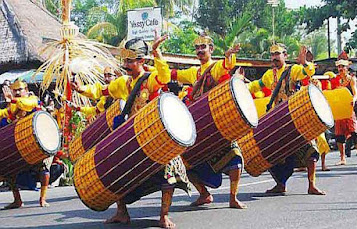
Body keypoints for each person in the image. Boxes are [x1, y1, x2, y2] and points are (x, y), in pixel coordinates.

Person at [72, 32, 183, 229]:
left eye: (130, 61)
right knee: (116, 171)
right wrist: (82, 89)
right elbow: (102, 90)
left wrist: (157, 52)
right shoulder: (123, 82)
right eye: (125, 60)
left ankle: (163, 216)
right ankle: (121, 213)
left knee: (168, 176)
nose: (126, 64)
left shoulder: (150, 80)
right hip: (133, 137)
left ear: (141, 60)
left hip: (156, 136)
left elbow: (165, 77)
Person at [170, 33, 246, 209]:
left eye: (203, 47)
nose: (199, 51)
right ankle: (204, 194)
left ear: (211, 49)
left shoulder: (215, 67)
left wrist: (228, 56)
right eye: (197, 48)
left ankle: (233, 197)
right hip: (198, 125)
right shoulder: (192, 72)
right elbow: (171, 74)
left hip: (218, 123)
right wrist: (156, 54)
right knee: (187, 163)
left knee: (235, 158)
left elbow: (227, 65)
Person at [247, 44, 325, 195]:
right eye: (272, 54)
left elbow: (307, 72)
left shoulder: (293, 70)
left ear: (285, 55)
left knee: (310, 150)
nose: (274, 57)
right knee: (272, 153)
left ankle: (311, 185)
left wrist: (304, 63)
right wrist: (241, 86)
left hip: (296, 118)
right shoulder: (269, 74)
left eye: (277, 54)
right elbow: (257, 85)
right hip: (278, 121)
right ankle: (280, 184)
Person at [0, 79, 51, 209]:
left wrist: (12, 100)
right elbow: (5, 116)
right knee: (8, 172)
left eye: (20, 90)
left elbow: (25, 105)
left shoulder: (32, 99)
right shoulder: (12, 104)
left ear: (26, 90)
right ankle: (18, 200)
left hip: (36, 142)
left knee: (44, 169)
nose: (17, 92)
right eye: (15, 90)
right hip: (19, 144)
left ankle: (42, 198)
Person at [330, 51, 357, 166]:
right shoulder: (336, 80)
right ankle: (342, 158)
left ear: (347, 67)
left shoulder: (351, 79)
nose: (340, 69)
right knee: (339, 135)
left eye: (343, 66)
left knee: (354, 132)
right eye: (339, 66)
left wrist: (353, 100)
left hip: (349, 109)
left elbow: (355, 93)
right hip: (339, 110)